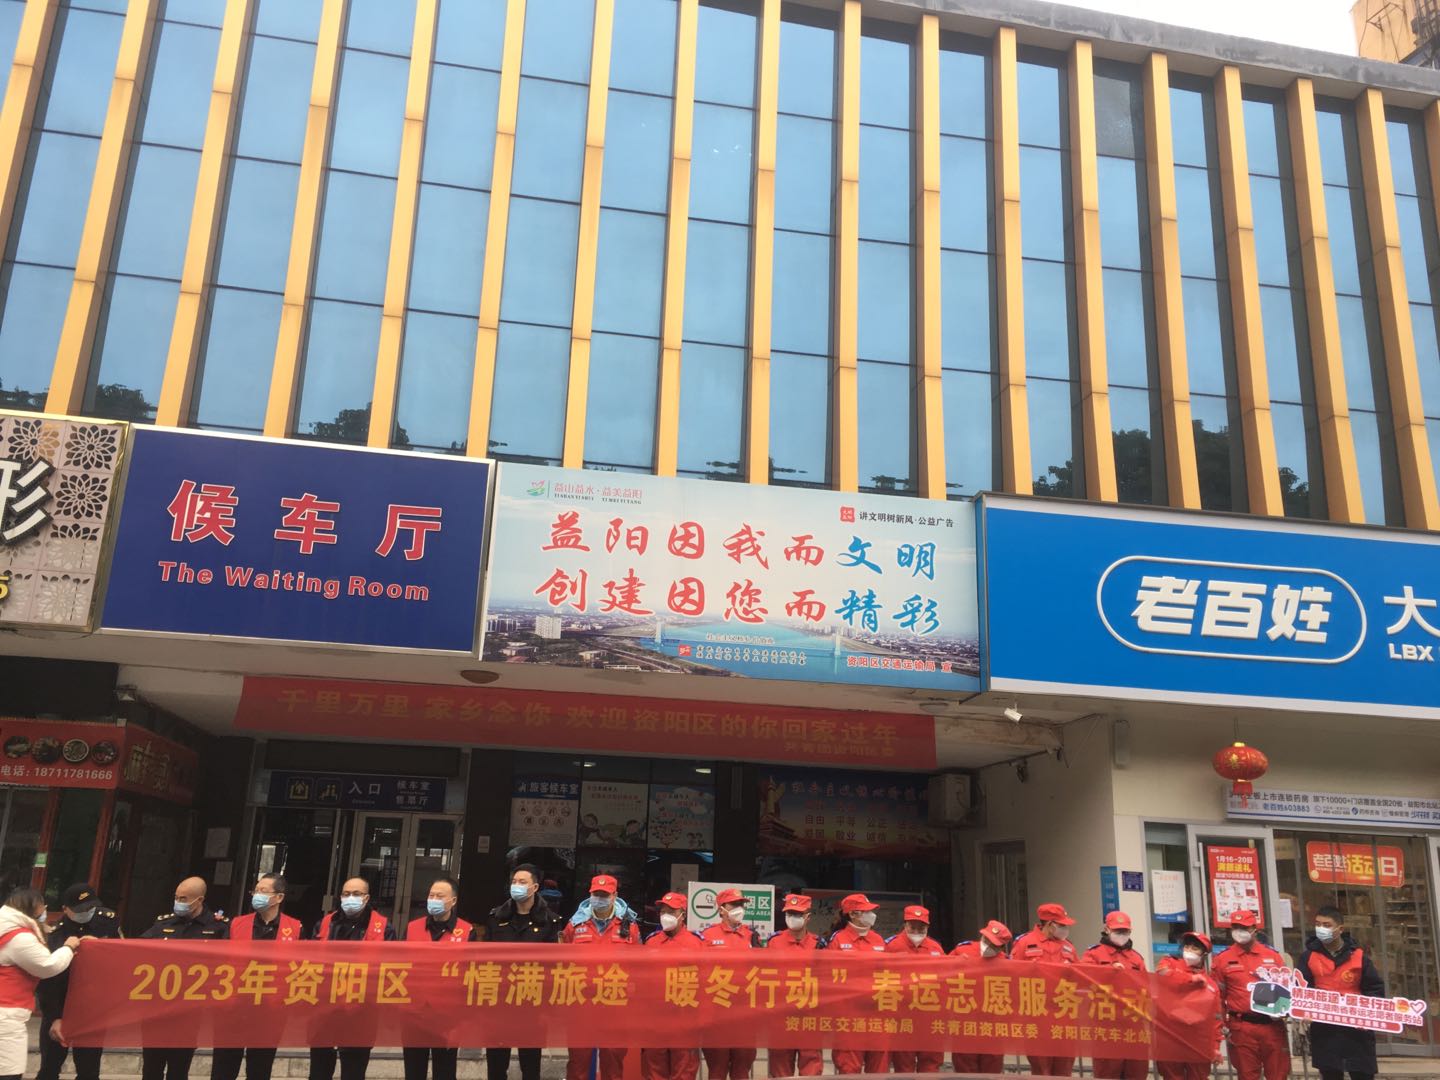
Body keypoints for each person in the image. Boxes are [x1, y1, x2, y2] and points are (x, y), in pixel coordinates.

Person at [141, 877, 229, 1080]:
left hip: (190, 1009)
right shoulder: (163, 923)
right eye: (176, 897)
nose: (178, 902)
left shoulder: (218, 927)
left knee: (179, 1069)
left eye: (183, 899)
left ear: (199, 900)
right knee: (151, 1068)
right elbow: (137, 949)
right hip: (158, 1006)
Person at [308, 877, 395, 1080]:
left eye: (356, 894)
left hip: (361, 1010)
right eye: (346, 894)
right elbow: (310, 961)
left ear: (366, 898)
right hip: (325, 1008)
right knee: (319, 1070)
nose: (350, 898)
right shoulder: (325, 923)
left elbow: (389, 969)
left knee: (354, 1071)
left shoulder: (383, 927)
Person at [485, 864, 563, 1080]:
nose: (516, 886)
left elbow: (555, 966)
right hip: (499, 1001)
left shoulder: (550, 922)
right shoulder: (496, 917)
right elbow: (484, 959)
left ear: (535, 887)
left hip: (532, 1003)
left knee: (530, 1065)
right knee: (496, 1065)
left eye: (522, 882)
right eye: (514, 882)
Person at [36, 883, 120, 1080]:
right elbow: (47, 982)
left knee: (89, 1071)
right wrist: (55, 1017)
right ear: (65, 909)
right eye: (80, 910)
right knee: (49, 1069)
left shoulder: (107, 921)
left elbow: (120, 957)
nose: (87, 912)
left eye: (90, 907)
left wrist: (102, 947)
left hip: (93, 1010)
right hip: (60, 1007)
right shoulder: (55, 934)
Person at [562, 875, 640, 1080]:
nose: (599, 899)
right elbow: (563, 961)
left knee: (613, 1059)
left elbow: (638, 966)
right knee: (578, 1060)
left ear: (615, 896)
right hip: (581, 1004)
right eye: (596, 894)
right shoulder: (575, 925)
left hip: (615, 1004)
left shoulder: (629, 926)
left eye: (604, 895)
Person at [0, 887, 81, 1080]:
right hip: (6, 1013)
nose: (44, 909)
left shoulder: (6, 928)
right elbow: (47, 966)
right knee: (9, 1072)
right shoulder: (19, 937)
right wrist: (68, 947)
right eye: (42, 905)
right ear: (32, 906)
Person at [402, 877, 476, 1080]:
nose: (434, 899)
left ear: (453, 901)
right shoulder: (412, 928)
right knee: (413, 1071)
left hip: (447, 1016)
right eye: (431, 895)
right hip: (414, 1014)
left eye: (440, 896)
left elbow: (470, 975)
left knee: (445, 1071)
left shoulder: (466, 931)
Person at [1301, 906, 1384, 1080]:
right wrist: (1305, 1010)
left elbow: (1374, 989)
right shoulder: (1308, 957)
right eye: (1318, 924)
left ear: (1340, 929)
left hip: (1356, 1028)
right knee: (1330, 1073)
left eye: (1326, 925)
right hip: (1325, 1028)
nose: (1321, 929)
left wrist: (1367, 1015)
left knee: (1362, 1073)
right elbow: (1301, 988)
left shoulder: (1359, 957)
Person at [1212, 909, 1290, 1080]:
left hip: (1272, 1027)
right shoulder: (1222, 959)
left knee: (1278, 1075)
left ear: (1255, 929)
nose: (1239, 931)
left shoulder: (1273, 956)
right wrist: (1221, 1026)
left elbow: (1287, 990)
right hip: (1241, 1028)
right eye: (1236, 927)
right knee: (1247, 1075)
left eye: (1244, 927)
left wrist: (1285, 1011)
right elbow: (1217, 998)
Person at [1012, 903, 1079, 1077]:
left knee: (1064, 1067)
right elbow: (1011, 976)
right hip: (1037, 1016)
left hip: (1063, 1016)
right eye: (1062, 925)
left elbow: (1080, 977)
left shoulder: (1068, 947)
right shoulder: (1024, 943)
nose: (1065, 929)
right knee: (1041, 1068)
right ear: (1050, 924)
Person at [641, 892, 702, 1080]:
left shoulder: (697, 943)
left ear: (683, 914)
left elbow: (705, 982)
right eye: (663, 911)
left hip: (685, 1019)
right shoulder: (651, 941)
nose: (665, 915)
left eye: (671, 911)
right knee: (654, 1069)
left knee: (684, 1070)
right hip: (655, 1020)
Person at [825, 894, 887, 1075]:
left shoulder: (878, 940)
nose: (872, 915)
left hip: (876, 1016)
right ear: (852, 914)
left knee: (879, 1067)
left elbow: (888, 974)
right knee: (849, 1068)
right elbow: (830, 978)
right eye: (866, 911)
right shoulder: (838, 940)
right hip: (849, 1018)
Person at [700, 889, 759, 1080]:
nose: (739, 909)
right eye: (734, 905)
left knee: (742, 1069)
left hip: (745, 1015)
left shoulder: (752, 936)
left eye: (741, 905)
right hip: (717, 1014)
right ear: (721, 909)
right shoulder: (707, 936)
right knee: (717, 1069)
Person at [1083, 912, 1148, 1080]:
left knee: (1136, 1072)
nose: (1122, 935)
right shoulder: (1093, 954)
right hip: (1106, 1023)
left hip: (1133, 1024)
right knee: (1107, 1072)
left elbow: (1145, 987)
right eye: (1118, 931)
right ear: (1107, 929)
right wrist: (1108, 971)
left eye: (1125, 931)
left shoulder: (1136, 958)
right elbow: (1083, 978)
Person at [767, 895, 823, 1079]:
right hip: (780, 1016)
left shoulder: (819, 944)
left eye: (798, 914)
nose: (793, 918)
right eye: (790, 913)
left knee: (811, 1065)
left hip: (809, 1017)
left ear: (808, 917)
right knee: (780, 1066)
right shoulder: (774, 942)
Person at [1154, 932, 1222, 1080]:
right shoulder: (1169, 963)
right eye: (1187, 946)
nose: (1189, 950)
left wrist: (1216, 1047)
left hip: (1198, 1043)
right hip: (1170, 1038)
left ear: (1204, 954)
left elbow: (1216, 1018)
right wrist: (1190, 979)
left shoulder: (1211, 985)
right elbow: (1162, 974)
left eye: (1195, 948)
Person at [885, 906, 945, 1074]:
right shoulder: (891, 946)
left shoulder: (936, 949)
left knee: (931, 1064)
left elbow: (946, 980)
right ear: (905, 924)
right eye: (913, 926)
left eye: (922, 927)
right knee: (904, 1064)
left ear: (928, 927)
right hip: (902, 1016)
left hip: (929, 1017)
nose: (917, 931)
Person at [950, 920, 1013, 1075]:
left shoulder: (1007, 963)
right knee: (965, 1068)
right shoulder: (962, 951)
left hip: (993, 1025)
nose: (988, 946)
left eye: (994, 944)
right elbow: (942, 975)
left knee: (992, 1068)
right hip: (965, 1022)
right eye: (987, 940)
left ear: (1001, 947)